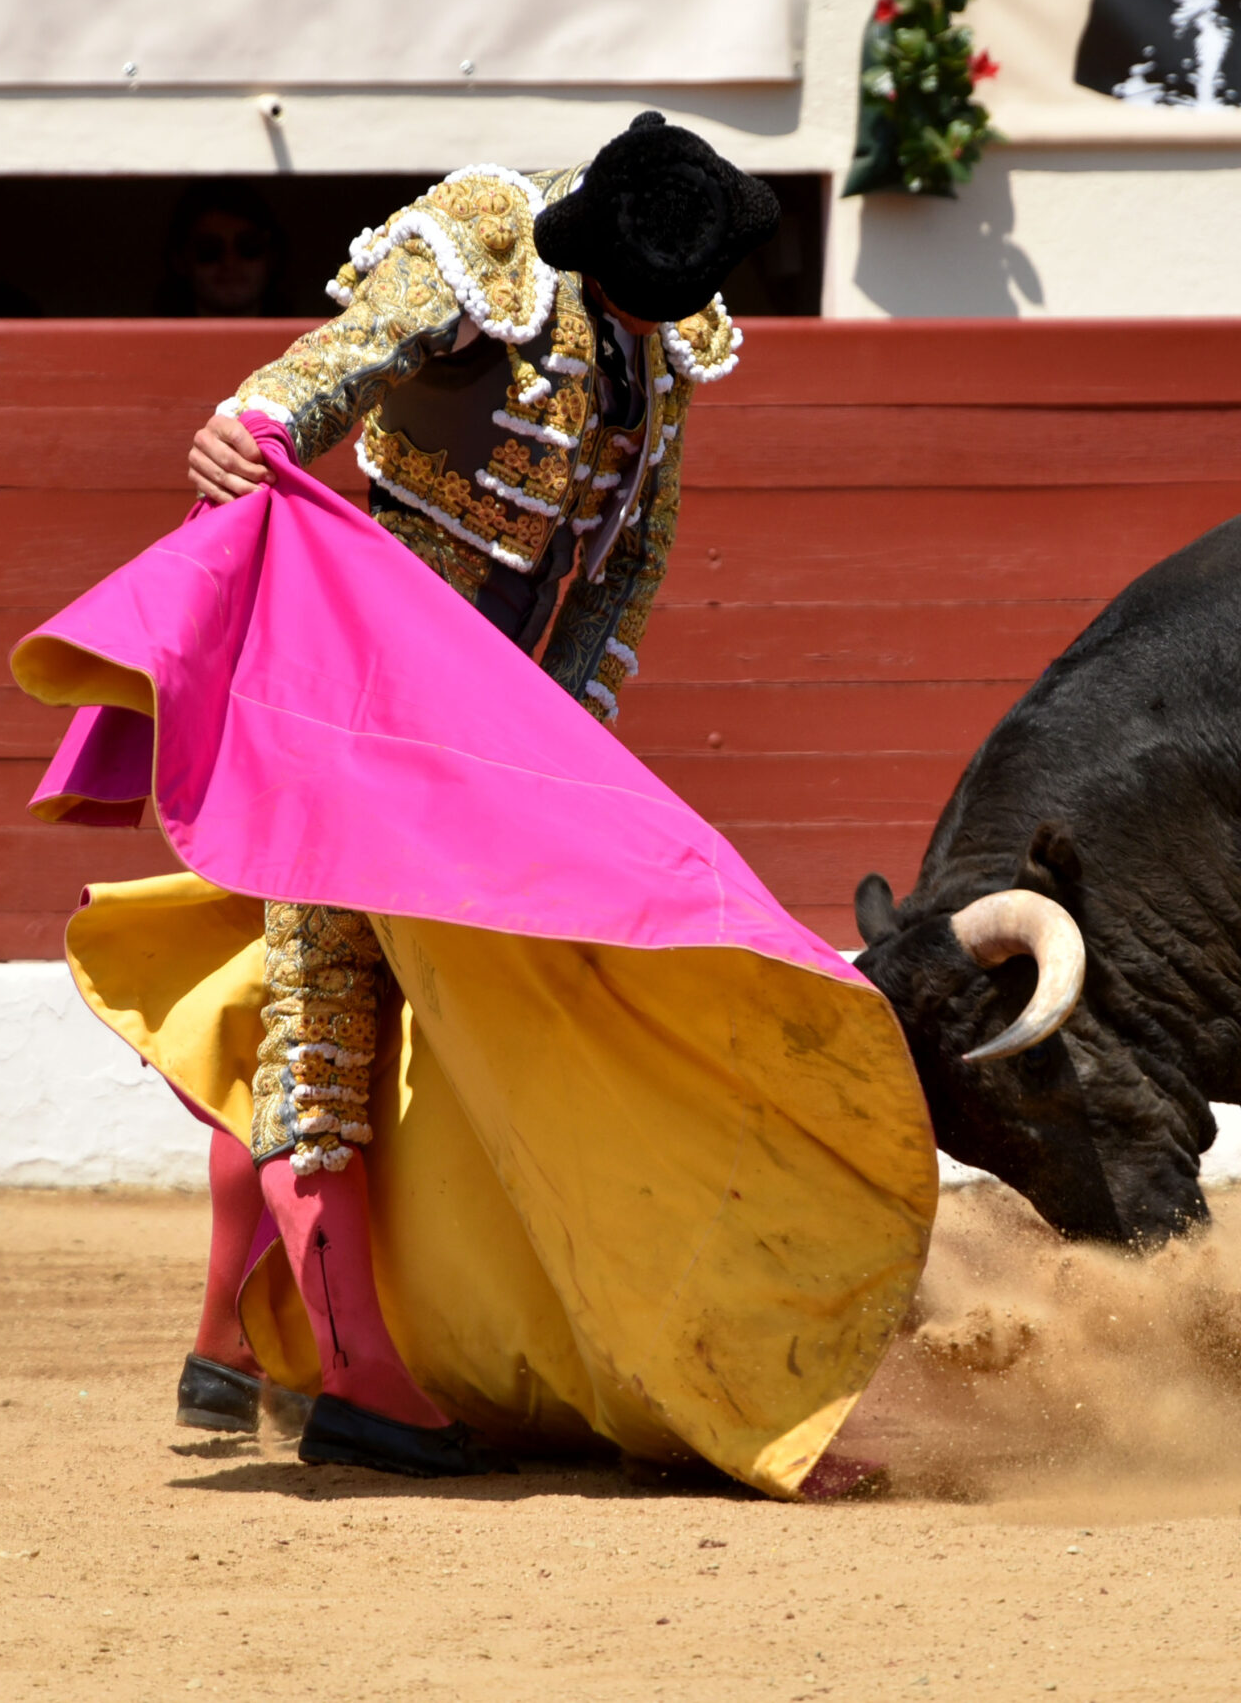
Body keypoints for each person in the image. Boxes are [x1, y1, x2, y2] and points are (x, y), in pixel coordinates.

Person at [178, 112, 778, 1476]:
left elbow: (632, 556)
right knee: (327, 1004)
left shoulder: (669, 321)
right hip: (356, 677)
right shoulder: (491, 244)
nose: (658, 320)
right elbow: (342, 358)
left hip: (487, 715)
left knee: (373, 1001)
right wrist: (256, 422)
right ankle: (357, 1380)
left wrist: (567, 741)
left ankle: (225, 1341)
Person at [157, 180, 287, 317]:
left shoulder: (303, 329)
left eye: (249, 246)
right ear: (179, 260)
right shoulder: (152, 331)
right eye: (208, 248)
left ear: (272, 256)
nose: (230, 263)